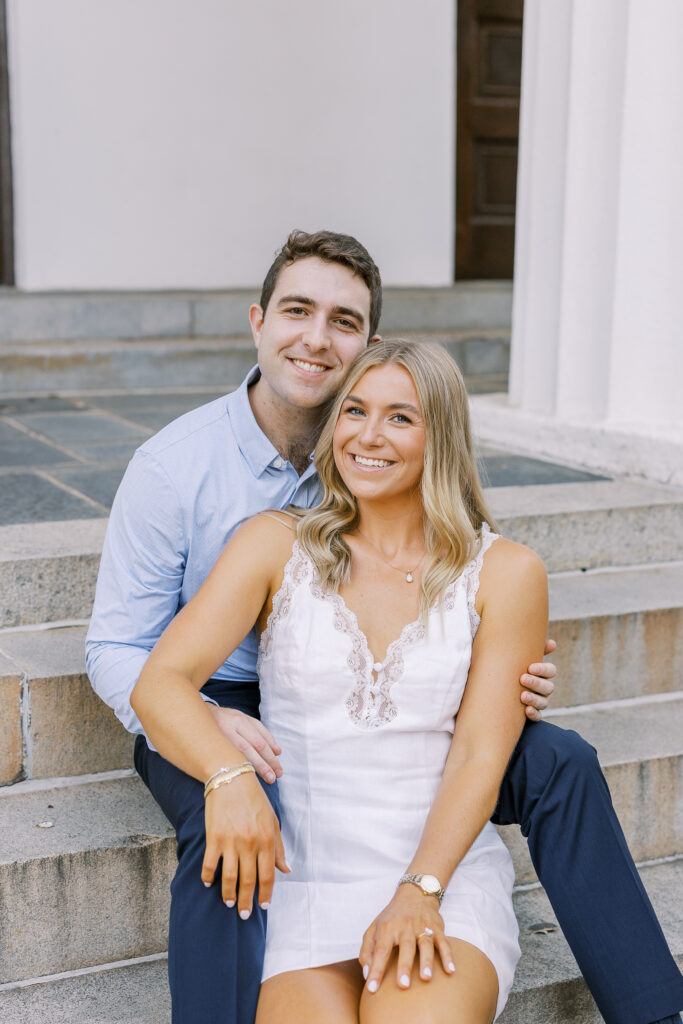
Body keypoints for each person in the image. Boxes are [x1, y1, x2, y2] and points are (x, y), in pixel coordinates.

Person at [85, 230, 683, 1024]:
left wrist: (493, 681)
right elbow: (128, 654)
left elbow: (477, 736)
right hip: (234, 706)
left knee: (558, 760)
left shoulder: (494, 564)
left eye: (343, 323)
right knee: (220, 829)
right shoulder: (187, 477)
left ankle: (653, 1011)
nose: (317, 339)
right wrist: (220, 751)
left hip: (407, 801)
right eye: (298, 311)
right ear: (258, 321)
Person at [130, 339, 547, 1022]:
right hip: (303, 880)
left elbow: (479, 752)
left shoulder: (506, 573)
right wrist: (226, 776)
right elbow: (160, 682)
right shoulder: (272, 543)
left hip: (437, 873)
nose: (367, 435)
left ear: (439, 434)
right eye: (353, 410)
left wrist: (421, 888)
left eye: (399, 418)